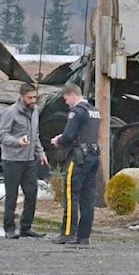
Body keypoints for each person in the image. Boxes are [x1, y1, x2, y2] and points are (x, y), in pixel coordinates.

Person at [50, 84, 101, 245]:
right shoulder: (94, 111)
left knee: (71, 195)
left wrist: (58, 140)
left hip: (79, 158)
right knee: (88, 197)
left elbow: (69, 135)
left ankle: (68, 233)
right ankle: (84, 236)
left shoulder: (77, 112)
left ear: (72, 95)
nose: (66, 103)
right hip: (93, 156)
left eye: (66, 99)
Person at [0, 83, 49, 239]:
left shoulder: (35, 112)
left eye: (35, 97)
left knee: (32, 193)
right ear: (21, 97)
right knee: (11, 195)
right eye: (30, 98)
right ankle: (9, 228)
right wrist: (17, 141)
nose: (33, 100)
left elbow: (36, 135)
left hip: (29, 159)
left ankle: (26, 227)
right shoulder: (10, 112)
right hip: (12, 160)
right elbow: (2, 135)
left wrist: (41, 153)